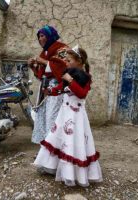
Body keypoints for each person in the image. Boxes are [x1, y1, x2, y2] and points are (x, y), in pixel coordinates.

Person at [33, 46, 103, 187]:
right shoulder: (69, 73)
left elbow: (81, 94)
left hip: (76, 117)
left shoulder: (85, 78)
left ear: (79, 62)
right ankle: (51, 166)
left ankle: (71, 174)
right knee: (56, 139)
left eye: (69, 60)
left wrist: (70, 80)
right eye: (66, 59)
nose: (66, 62)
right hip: (63, 114)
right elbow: (60, 88)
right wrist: (50, 91)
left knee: (72, 142)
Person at [28, 25, 69, 144]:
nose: (40, 39)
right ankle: (45, 147)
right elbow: (41, 74)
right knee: (43, 116)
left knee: (53, 117)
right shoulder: (44, 52)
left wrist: (44, 62)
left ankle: (54, 147)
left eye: (42, 36)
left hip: (56, 89)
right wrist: (32, 66)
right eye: (39, 36)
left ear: (50, 36)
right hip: (44, 89)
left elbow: (63, 67)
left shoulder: (62, 49)